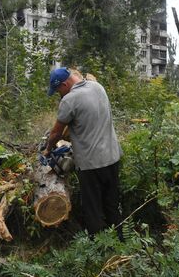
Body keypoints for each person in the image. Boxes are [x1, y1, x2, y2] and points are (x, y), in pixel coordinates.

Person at [43, 67, 123, 239]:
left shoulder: (69, 100)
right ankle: (120, 241)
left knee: (93, 209)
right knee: (112, 204)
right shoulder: (98, 87)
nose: (59, 95)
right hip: (112, 157)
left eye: (58, 90)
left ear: (64, 84)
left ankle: (99, 249)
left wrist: (48, 149)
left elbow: (56, 133)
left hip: (90, 165)